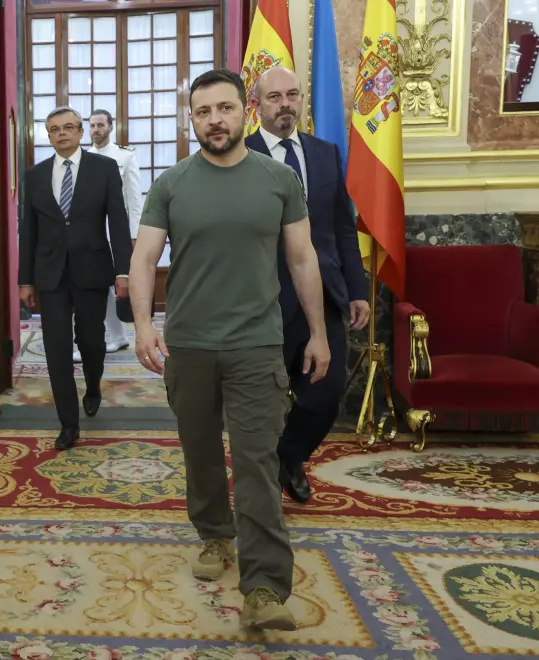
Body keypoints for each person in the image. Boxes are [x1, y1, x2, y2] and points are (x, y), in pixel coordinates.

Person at [130, 69, 329, 632]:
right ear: (191, 120)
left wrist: (316, 331)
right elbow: (144, 259)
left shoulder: (278, 179)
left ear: (247, 112)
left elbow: (302, 259)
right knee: (198, 451)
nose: (215, 120)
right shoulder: (170, 184)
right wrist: (145, 326)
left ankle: (265, 587)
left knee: (257, 462)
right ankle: (215, 534)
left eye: (224, 108)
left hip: (256, 346)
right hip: (189, 346)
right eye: (203, 112)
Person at [246, 66, 370, 504]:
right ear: (257, 105)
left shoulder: (324, 153)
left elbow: (341, 227)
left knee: (326, 395)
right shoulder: (240, 155)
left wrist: (357, 289)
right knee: (262, 404)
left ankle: (288, 456)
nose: (285, 104)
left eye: (292, 95)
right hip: (263, 301)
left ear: (301, 100)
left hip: (324, 295)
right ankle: (265, 475)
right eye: (274, 97)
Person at [18, 106, 132, 450]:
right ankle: (68, 423)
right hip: (50, 275)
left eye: (69, 127)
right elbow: (29, 231)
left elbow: (118, 220)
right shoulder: (35, 175)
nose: (62, 134)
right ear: (48, 136)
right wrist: (26, 280)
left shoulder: (105, 168)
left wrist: (123, 270)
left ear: (81, 132)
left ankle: (94, 386)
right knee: (56, 350)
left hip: (92, 271)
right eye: (54, 129)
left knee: (92, 343)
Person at [71, 110, 143, 362]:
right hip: (90, 232)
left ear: (111, 127)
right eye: (92, 125)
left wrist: (134, 236)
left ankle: (117, 334)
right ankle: (115, 335)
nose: (96, 130)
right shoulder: (81, 158)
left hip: (117, 232)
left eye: (101, 125)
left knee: (114, 285)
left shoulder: (124, 156)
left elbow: (134, 200)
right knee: (96, 284)